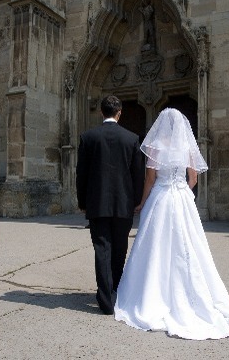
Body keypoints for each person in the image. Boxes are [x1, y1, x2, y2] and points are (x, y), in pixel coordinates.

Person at [114, 108, 229, 340]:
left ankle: (151, 292)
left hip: (160, 196)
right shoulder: (186, 147)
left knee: (156, 244)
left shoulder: (157, 146)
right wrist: (183, 193)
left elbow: (150, 178)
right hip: (181, 197)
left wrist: (142, 202)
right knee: (190, 244)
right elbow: (194, 178)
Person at [76, 96, 146, 315]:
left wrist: (82, 202)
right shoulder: (131, 138)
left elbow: (81, 174)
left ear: (100, 112)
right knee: (119, 248)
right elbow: (138, 174)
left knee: (102, 249)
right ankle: (115, 291)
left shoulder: (88, 137)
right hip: (123, 203)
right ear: (119, 113)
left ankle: (106, 300)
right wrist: (137, 200)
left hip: (97, 203)